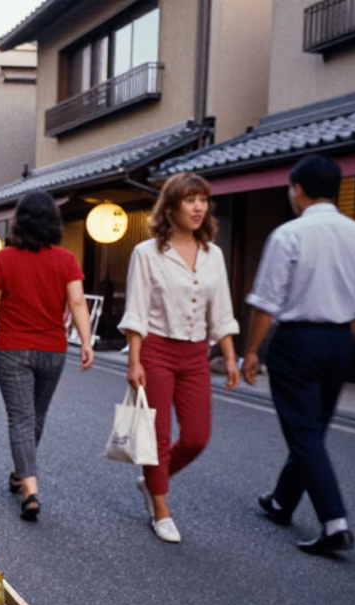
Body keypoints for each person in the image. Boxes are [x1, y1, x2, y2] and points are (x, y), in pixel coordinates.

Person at [243, 155, 355, 555]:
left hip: (298, 340)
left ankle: (334, 522)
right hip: (341, 339)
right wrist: (343, 342)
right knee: (313, 428)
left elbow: (265, 303)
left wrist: (252, 351)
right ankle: (282, 501)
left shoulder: (289, 235)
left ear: (297, 189)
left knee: (303, 430)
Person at [119, 172, 240, 544]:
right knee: (156, 436)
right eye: (190, 200)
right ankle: (161, 508)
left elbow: (221, 310)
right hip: (156, 349)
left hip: (195, 353)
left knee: (196, 437)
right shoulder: (147, 253)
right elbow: (137, 310)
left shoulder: (212, 254)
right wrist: (134, 361)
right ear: (170, 207)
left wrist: (231, 357)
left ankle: (152, 479)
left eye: (203, 199)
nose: (199, 206)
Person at [0, 191, 94, 521]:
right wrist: (86, 341)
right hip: (53, 349)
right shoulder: (66, 259)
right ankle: (21, 472)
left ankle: (30, 489)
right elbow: (78, 303)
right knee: (35, 417)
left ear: (18, 222)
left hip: (12, 349)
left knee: (22, 418)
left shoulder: (3, 259)